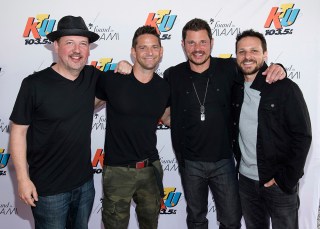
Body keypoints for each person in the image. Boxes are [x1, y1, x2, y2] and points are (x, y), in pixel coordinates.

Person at [162, 19, 286, 229]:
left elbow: (256, 69)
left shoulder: (230, 68)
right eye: (191, 43)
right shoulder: (172, 74)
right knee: (196, 219)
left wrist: (279, 67)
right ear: (183, 45)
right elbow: (162, 112)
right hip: (190, 162)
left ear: (211, 42)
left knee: (231, 220)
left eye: (202, 42)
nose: (198, 48)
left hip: (224, 161)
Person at [9, 15, 131, 229]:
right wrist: (22, 179)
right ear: (56, 46)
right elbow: (18, 132)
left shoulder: (93, 76)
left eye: (83, 43)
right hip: (47, 190)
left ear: (89, 49)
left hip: (84, 185)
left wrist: (124, 66)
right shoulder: (34, 84)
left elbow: (112, 90)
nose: (77, 50)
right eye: (70, 43)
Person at [232, 29, 312, 229]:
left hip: (277, 183)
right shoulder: (233, 87)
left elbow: (302, 136)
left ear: (265, 54)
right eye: (242, 52)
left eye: (254, 51)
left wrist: (285, 178)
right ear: (236, 56)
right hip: (246, 182)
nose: (247, 56)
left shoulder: (284, 88)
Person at [95, 25, 170, 229]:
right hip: (117, 171)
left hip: (151, 169)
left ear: (161, 51)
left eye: (154, 47)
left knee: (150, 225)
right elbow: (86, 107)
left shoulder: (164, 87)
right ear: (133, 51)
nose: (149, 52)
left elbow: (170, 119)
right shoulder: (113, 79)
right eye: (143, 47)